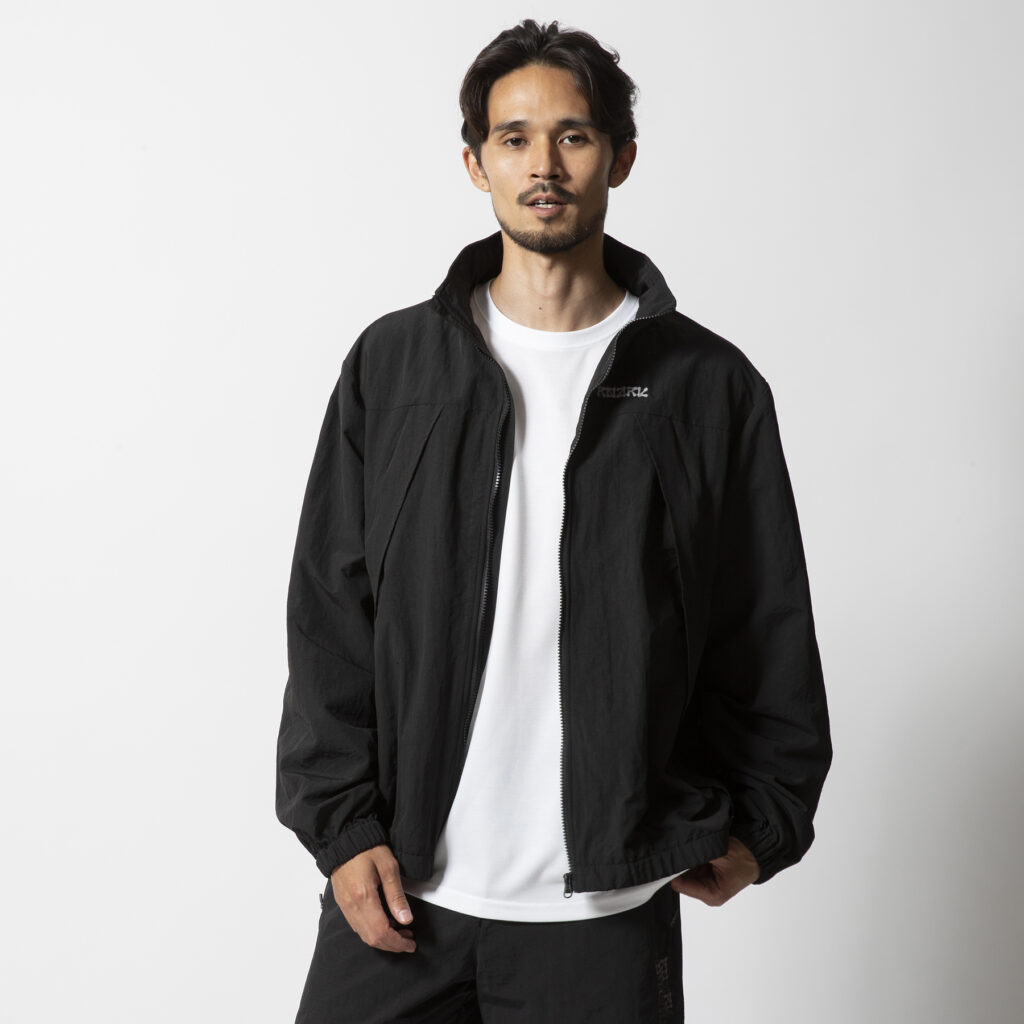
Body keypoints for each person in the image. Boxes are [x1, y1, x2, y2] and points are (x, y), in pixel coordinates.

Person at [276, 19, 832, 1023]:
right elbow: (329, 614)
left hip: (603, 915)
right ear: (475, 163)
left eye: (573, 136)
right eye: (514, 137)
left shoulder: (708, 387)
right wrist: (341, 829)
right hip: (400, 897)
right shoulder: (393, 368)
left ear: (620, 157)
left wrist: (764, 821)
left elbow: (764, 622)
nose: (543, 165)